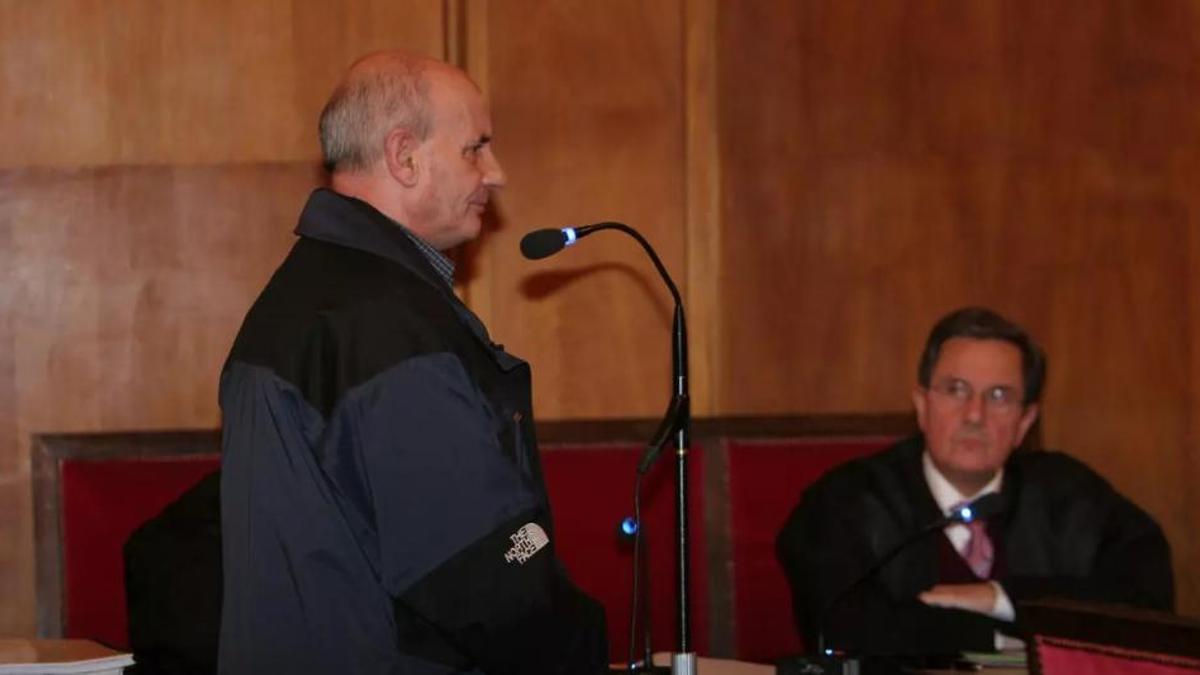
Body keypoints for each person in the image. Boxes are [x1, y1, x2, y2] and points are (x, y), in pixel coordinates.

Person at [217, 51, 608, 675]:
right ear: (404, 157)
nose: (497, 173)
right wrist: (588, 649)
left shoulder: (297, 298)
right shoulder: (386, 325)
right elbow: (483, 577)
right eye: (475, 148)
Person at [776, 306, 1174, 656]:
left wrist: (1000, 598)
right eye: (955, 390)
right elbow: (844, 631)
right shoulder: (847, 501)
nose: (974, 415)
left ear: (1025, 422)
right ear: (922, 405)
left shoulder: (1068, 495)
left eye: (998, 396)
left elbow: (1146, 605)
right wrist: (1011, 637)